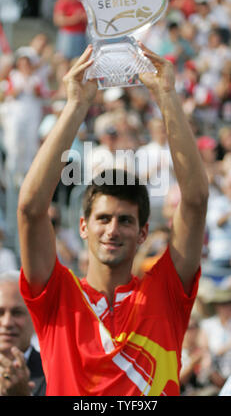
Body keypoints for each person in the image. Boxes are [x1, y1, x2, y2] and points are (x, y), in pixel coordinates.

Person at [17, 44, 208, 396]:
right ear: (83, 226)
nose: (113, 229)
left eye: (125, 221)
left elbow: (195, 202)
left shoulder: (165, 291)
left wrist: (166, 96)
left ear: (143, 233)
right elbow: (30, 209)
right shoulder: (56, 296)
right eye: (103, 218)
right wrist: (76, 105)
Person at [0, 271, 46, 396]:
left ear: (34, 319)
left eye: (17, 313)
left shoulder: (53, 373)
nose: (7, 323)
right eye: (0, 313)